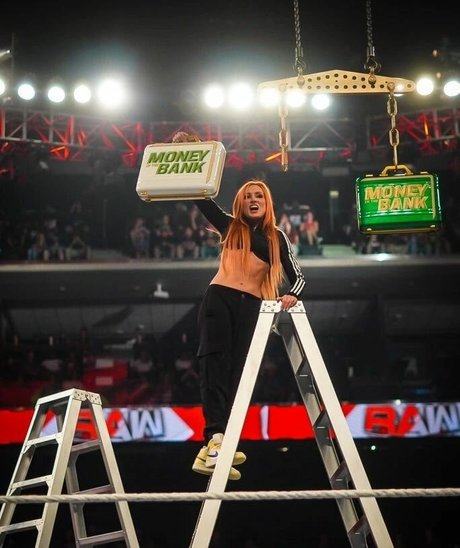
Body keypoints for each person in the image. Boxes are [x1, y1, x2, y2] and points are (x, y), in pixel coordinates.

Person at [171, 166, 305, 481]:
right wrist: (193, 155)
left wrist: (292, 295)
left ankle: (216, 443)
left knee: (241, 374)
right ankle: (215, 437)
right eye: (248, 197)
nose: (253, 200)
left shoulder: (277, 237)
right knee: (214, 364)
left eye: (259, 196)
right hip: (220, 299)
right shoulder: (230, 226)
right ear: (240, 204)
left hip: (253, 307)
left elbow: (298, 277)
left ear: (267, 203)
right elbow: (201, 198)